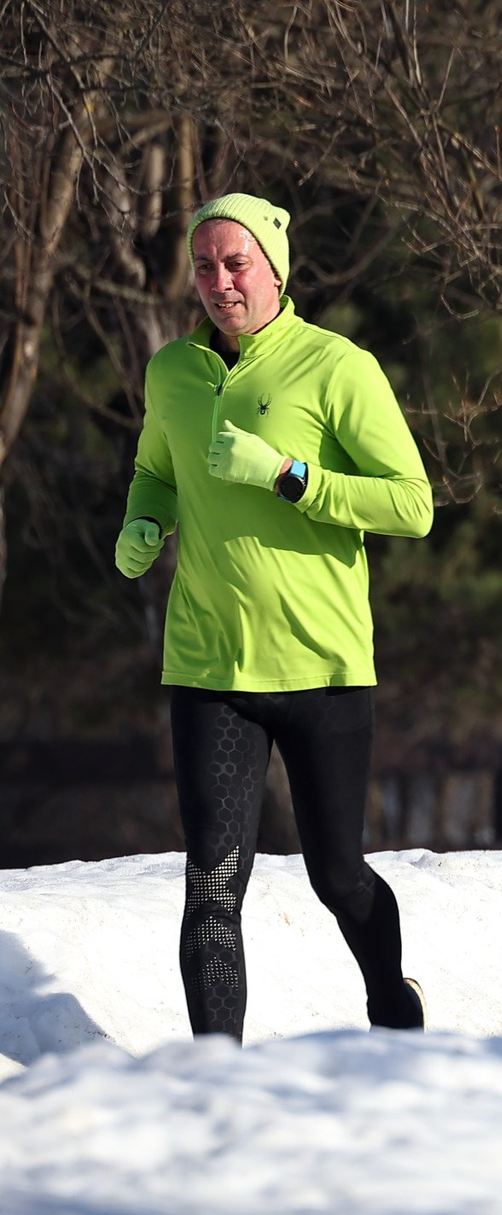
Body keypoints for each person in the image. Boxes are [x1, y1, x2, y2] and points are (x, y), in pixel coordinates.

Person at [116, 194, 434, 1040]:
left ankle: (390, 1004)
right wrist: (143, 521)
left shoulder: (337, 366)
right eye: (207, 266)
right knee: (213, 881)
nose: (221, 282)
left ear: (276, 269)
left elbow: (412, 505)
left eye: (237, 263)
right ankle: (218, 1075)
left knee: (337, 872)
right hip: (210, 665)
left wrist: (290, 474)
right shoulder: (172, 373)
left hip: (322, 665)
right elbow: (157, 471)